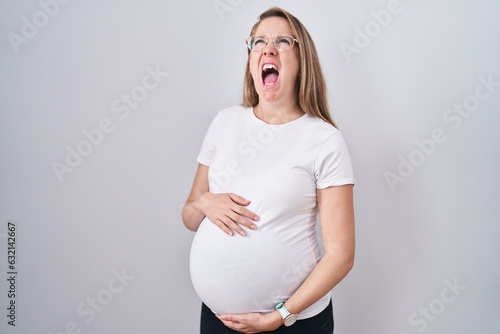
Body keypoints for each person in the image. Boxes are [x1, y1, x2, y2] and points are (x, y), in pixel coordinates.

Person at [182, 7, 355, 334]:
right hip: (218, 319)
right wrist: (204, 203)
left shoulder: (324, 141)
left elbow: (340, 254)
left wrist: (278, 316)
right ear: (251, 61)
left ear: (302, 62)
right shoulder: (224, 122)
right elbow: (189, 215)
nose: (268, 49)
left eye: (283, 41)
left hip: (291, 324)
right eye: (258, 41)